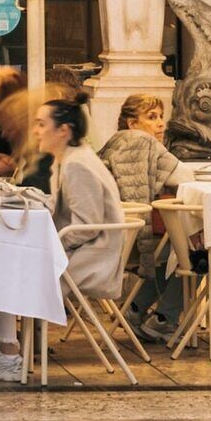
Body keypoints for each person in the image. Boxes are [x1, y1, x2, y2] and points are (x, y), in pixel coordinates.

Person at [37, 96, 131, 304]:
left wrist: (51, 244)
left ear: (63, 130)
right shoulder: (70, 157)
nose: (36, 131)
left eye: (42, 125)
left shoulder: (76, 164)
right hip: (88, 249)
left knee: (16, 266)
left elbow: (86, 226)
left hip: (95, 256)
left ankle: (8, 334)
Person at [100, 94, 178, 214]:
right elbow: (136, 204)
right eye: (152, 117)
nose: (161, 123)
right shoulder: (138, 141)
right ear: (132, 124)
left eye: (161, 116)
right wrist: (143, 232)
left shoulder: (125, 142)